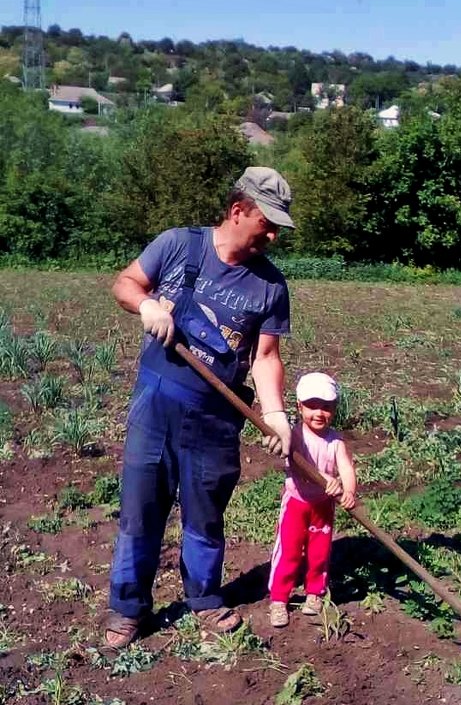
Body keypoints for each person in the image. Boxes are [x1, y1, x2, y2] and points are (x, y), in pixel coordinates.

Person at [104, 166, 295, 649]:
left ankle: (205, 600)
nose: (272, 234)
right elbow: (126, 283)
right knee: (140, 512)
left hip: (216, 417)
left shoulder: (270, 286)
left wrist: (275, 413)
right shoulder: (177, 245)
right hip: (157, 404)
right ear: (237, 211)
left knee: (206, 515)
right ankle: (128, 609)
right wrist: (145, 305)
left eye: (277, 226)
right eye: (266, 223)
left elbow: (265, 357)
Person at [268, 372, 357, 628]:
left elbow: (347, 469)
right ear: (299, 406)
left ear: (335, 409)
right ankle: (278, 599)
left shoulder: (336, 441)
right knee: (289, 551)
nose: (319, 413)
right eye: (312, 406)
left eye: (326, 407)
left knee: (320, 552)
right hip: (296, 503)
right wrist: (325, 478)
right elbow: (297, 467)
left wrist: (348, 490)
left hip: (323, 506)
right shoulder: (295, 436)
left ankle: (315, 593)